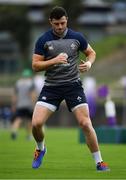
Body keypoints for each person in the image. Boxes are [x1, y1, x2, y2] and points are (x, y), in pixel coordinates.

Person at [31, 6, 110, 171]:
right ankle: (40, 148)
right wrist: (54, 61)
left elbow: (91, 53)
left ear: (67, 20)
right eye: (56, 24)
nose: (60, 27)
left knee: (86, 124)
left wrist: (89, 63)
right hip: (51, 87)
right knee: (36, 124)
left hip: (73, 86)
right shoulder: (43, 40)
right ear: (50, 22)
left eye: (62, 23)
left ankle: (99, 162)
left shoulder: (77, 37)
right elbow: (35, 66)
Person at [11, 69, 36, 140]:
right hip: (29, 105)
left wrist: (13, 105)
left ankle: (14, 131)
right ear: (29, 76)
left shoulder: (18, 83)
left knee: (18, 119)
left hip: (20, 104)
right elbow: (32, 95)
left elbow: (15, 95)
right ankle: (29, 135)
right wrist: (34, 104)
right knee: (29, 120)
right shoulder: (31, 83)